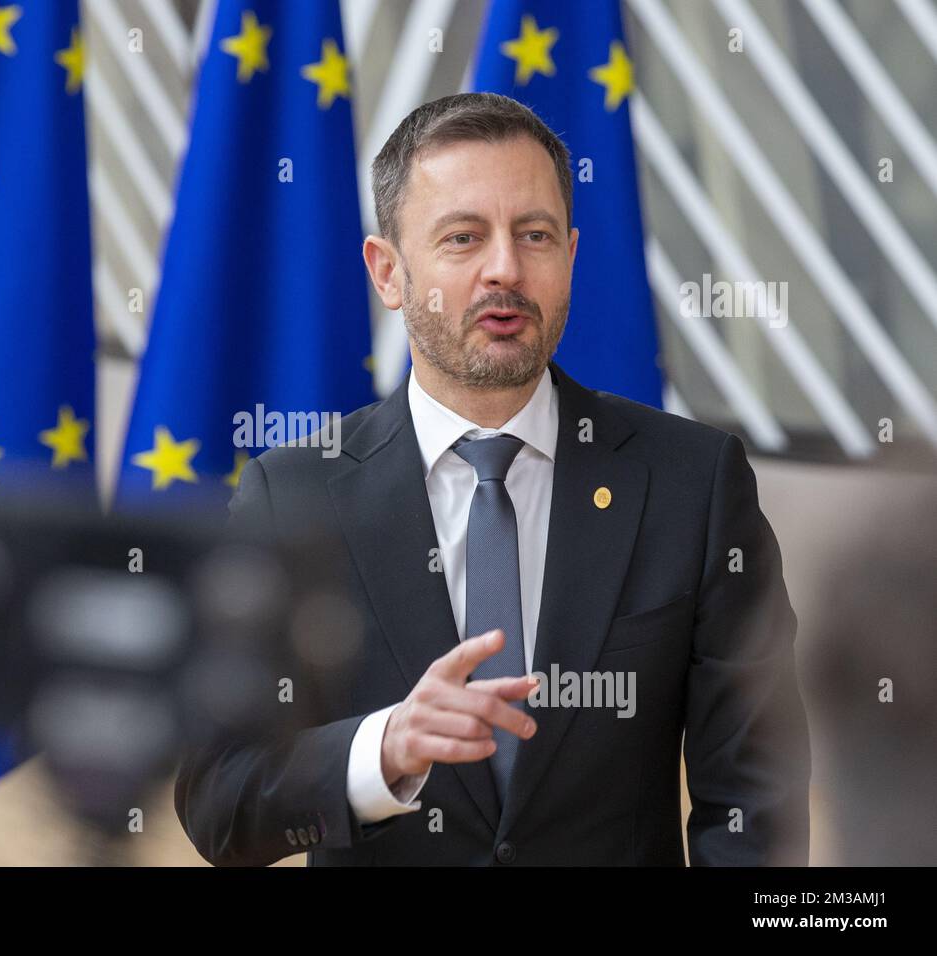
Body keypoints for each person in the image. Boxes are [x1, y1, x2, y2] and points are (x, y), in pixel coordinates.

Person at [174, 92, 811, 866]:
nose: (505, 268)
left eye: (534, 235)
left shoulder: (694, 484)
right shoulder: (291, 496)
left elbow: (753, 805)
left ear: (570, 256)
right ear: (388, 272)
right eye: (463, 236)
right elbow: (219, 801)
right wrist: (384, 750)